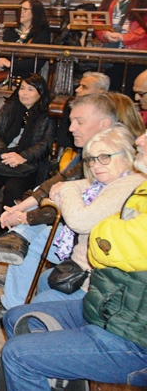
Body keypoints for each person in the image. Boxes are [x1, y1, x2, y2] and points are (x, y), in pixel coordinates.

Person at [0, 130, 147, 391]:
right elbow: (80, 196)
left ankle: (43, 369)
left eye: (105, 157)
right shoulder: (137, 189)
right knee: (16, 316)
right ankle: (52, 384)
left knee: (17, 354)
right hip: (112, 309)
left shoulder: (132, 186)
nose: (140, 140)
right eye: (92, 159)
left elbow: (97, 239)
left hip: (134, 339)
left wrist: (69, 194)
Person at [0, 93, 118, 323]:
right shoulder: (93, 154)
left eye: (79, 122)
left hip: (95, 246)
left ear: (104, 124)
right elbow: (55, 184)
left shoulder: (111, 162)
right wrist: (21, 210)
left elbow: (66, 210)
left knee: (32, 238)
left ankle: (12, 286)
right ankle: (13, 264)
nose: (71, 128)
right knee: (31, 236)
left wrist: (25, 217)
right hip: (75, 231)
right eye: (71, 121)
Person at [31, 125, 142, 303]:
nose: (96, 166)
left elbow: (79, 221)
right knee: (45, 278)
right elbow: (77, 186)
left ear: (126, 155)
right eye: (92, 159)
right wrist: (68, 189)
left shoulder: (128, 184)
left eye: (105, 157)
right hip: (82, 266)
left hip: (99, 282)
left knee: (39, 302)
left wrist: (66, 188)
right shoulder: (104, 183)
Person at [0, 74, 56, 239]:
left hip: (29, 165)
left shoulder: (47, 114)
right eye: (22, 88)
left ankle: (7, 233)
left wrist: (23, 156)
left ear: (40, 93)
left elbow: (47, 143)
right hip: (1, 159)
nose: (24, 93)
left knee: (12, 189)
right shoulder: (9, 107)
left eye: (30, 90)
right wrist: (2, 152)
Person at [0, 0, 52, 80]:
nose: (21, 12)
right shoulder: (11, 30)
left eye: (25, 9)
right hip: (4, 76)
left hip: (27, 79)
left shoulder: (41, 34)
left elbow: (36, 62)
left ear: (35, 12)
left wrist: (11, 65)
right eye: (19, 9)